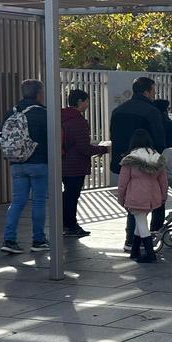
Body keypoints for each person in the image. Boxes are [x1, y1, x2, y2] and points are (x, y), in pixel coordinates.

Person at [109, 77, 166, 247]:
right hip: (146, 163)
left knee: (132, 202)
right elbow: (159, 140)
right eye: (153, 91)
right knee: (151, 203)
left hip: (124, 160)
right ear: (147, 91)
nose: (154, 94)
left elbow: (113, 136)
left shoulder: (118, 111)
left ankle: (131, 239)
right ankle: (149, 236)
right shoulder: (151, 111)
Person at [0, 79, 50, 255]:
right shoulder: (43, 114)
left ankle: (9, 239)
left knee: (17, 201)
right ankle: (38, 239)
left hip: (16, 163)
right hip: (39, 163)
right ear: (39, 93)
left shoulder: (10, 113)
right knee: (38, 202)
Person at [61, 89, 109, 237]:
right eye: (87, 101)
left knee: (67, 194)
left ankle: (66, 223)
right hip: (75, 165)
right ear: (80, 102)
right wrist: (103, 149)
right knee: (72, 195)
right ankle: (70, 225)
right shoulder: (78, 121)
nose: (88, 104)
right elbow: (83, 147)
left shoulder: (61, 117)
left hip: (62, 162)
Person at [116, 129, 167, 264]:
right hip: (153, 195)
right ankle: (135, 251)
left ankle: (150, 254)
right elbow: (163, 181)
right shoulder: (157, 157)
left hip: (136, 196)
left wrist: (121, 198)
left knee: (141, 223)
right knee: (141, 220)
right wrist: (163, 196)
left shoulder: (130, 159)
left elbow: (122, 182)